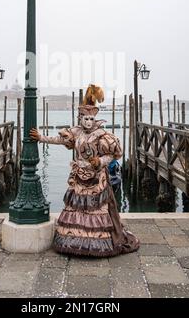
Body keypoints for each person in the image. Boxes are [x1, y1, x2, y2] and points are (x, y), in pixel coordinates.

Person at [30, 85, 140, 257]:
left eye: (91, 119)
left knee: (95, 208)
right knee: (78, 208)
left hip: (97, 179)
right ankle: (74, 242)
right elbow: (59, 140)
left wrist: (99, 161)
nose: (88, 122)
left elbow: (113, 155)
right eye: (85, 119)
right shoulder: (76, 133)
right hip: (79, 177)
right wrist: (41, 138)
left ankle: (98, 244)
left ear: (94, 118)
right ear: (80, 119)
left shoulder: (102, 135)